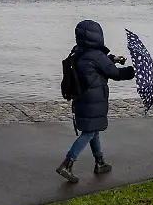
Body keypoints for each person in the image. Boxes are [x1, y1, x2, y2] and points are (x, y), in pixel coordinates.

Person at [56, 19, 135, 183]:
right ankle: (67, 164)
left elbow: (98, 63)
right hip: (93, 100)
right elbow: (115, 73)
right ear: (97, 36)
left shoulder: (79, 52)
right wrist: (133, 71)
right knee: (89, 132)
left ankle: (100, 162)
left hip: (82, 98)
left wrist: (112, 58)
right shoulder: (97, 56)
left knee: (94, 129)